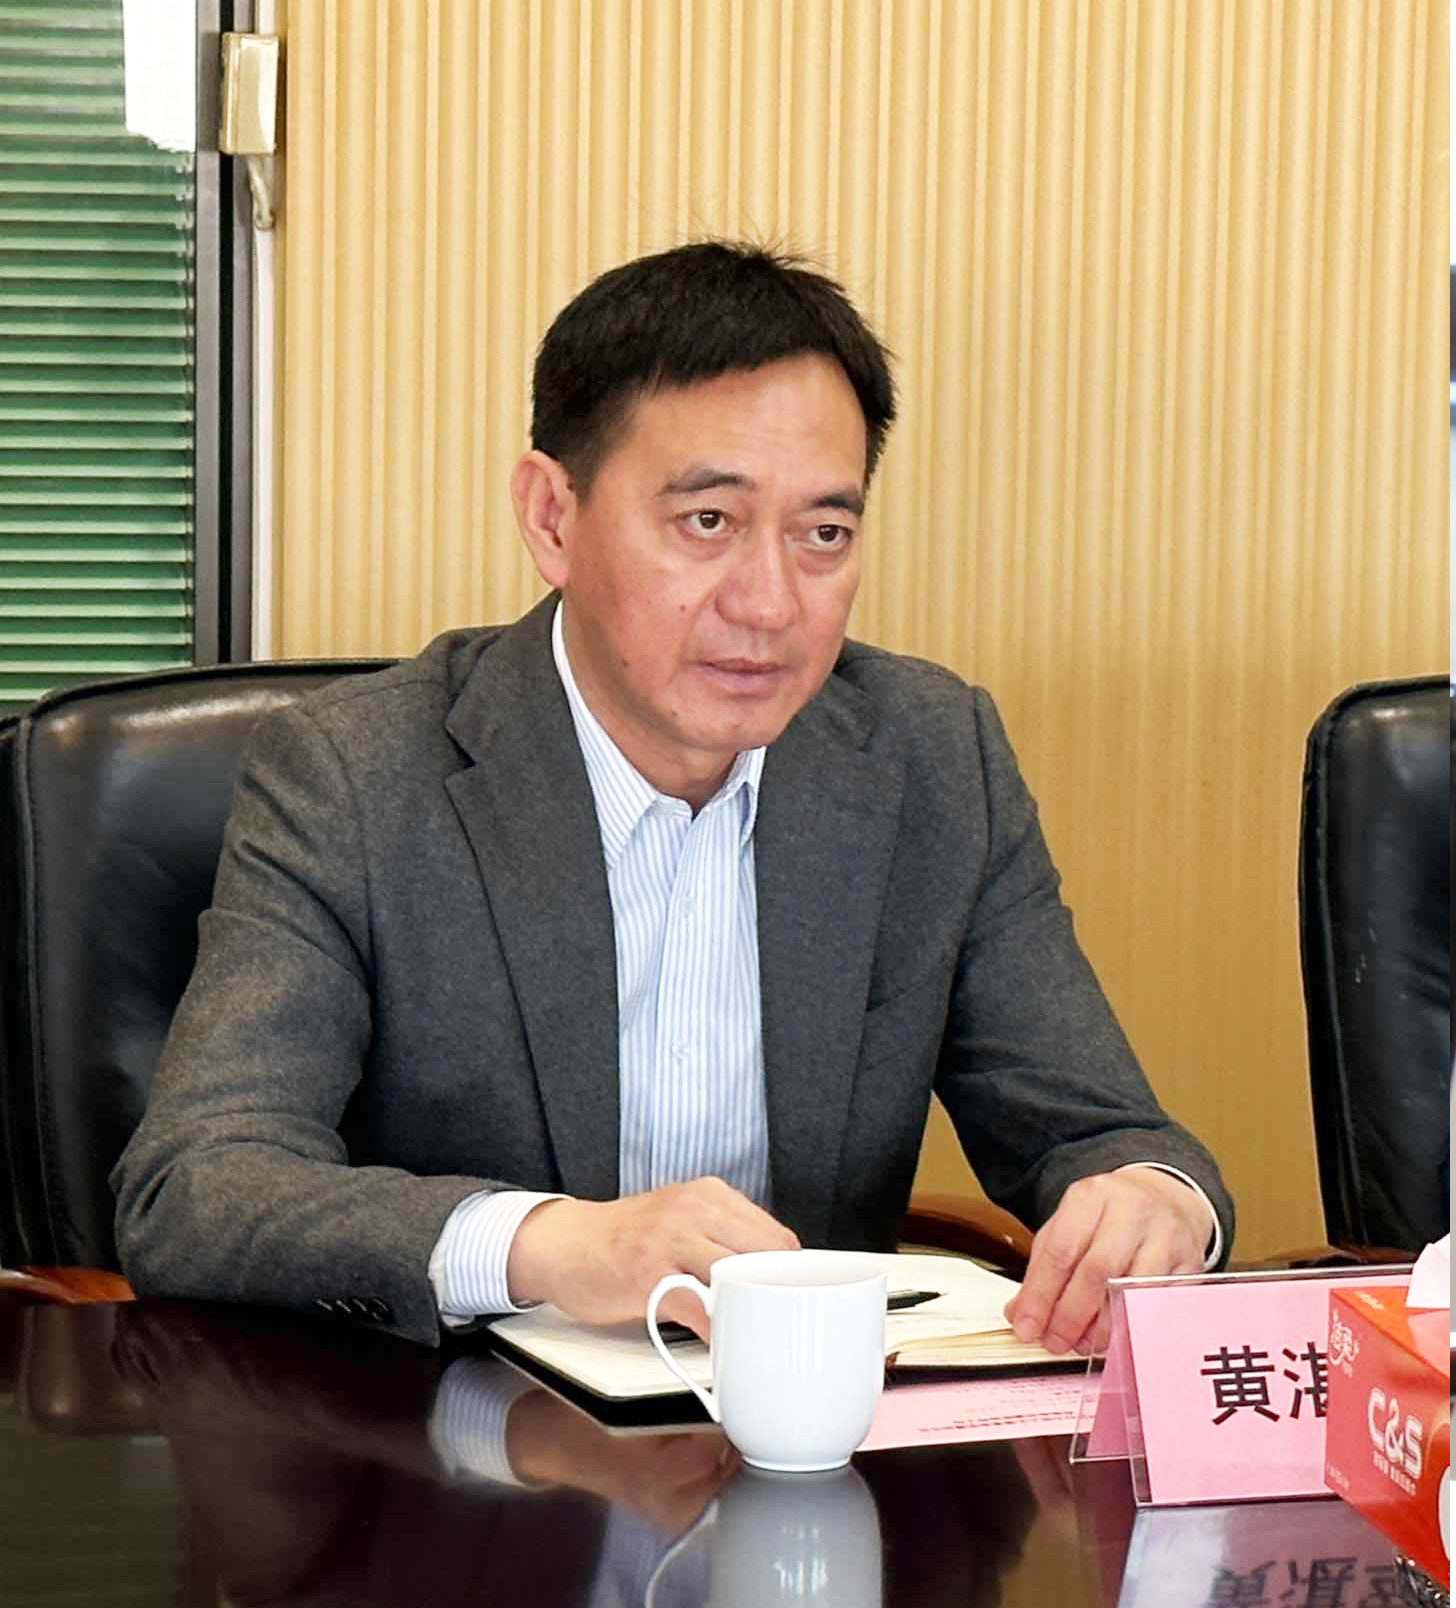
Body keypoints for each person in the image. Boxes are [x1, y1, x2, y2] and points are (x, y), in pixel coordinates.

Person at [112, 241, 1227, 1355]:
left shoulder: (929, 760)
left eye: (824, 535)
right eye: (709, 523)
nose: (770, 603)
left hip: (807, 1433)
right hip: (459, 1437)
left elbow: (1106, 1132)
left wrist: (1155, 1200)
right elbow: (197, 1185)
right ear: (552, 517)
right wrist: (547, 1242)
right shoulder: (356, 776)